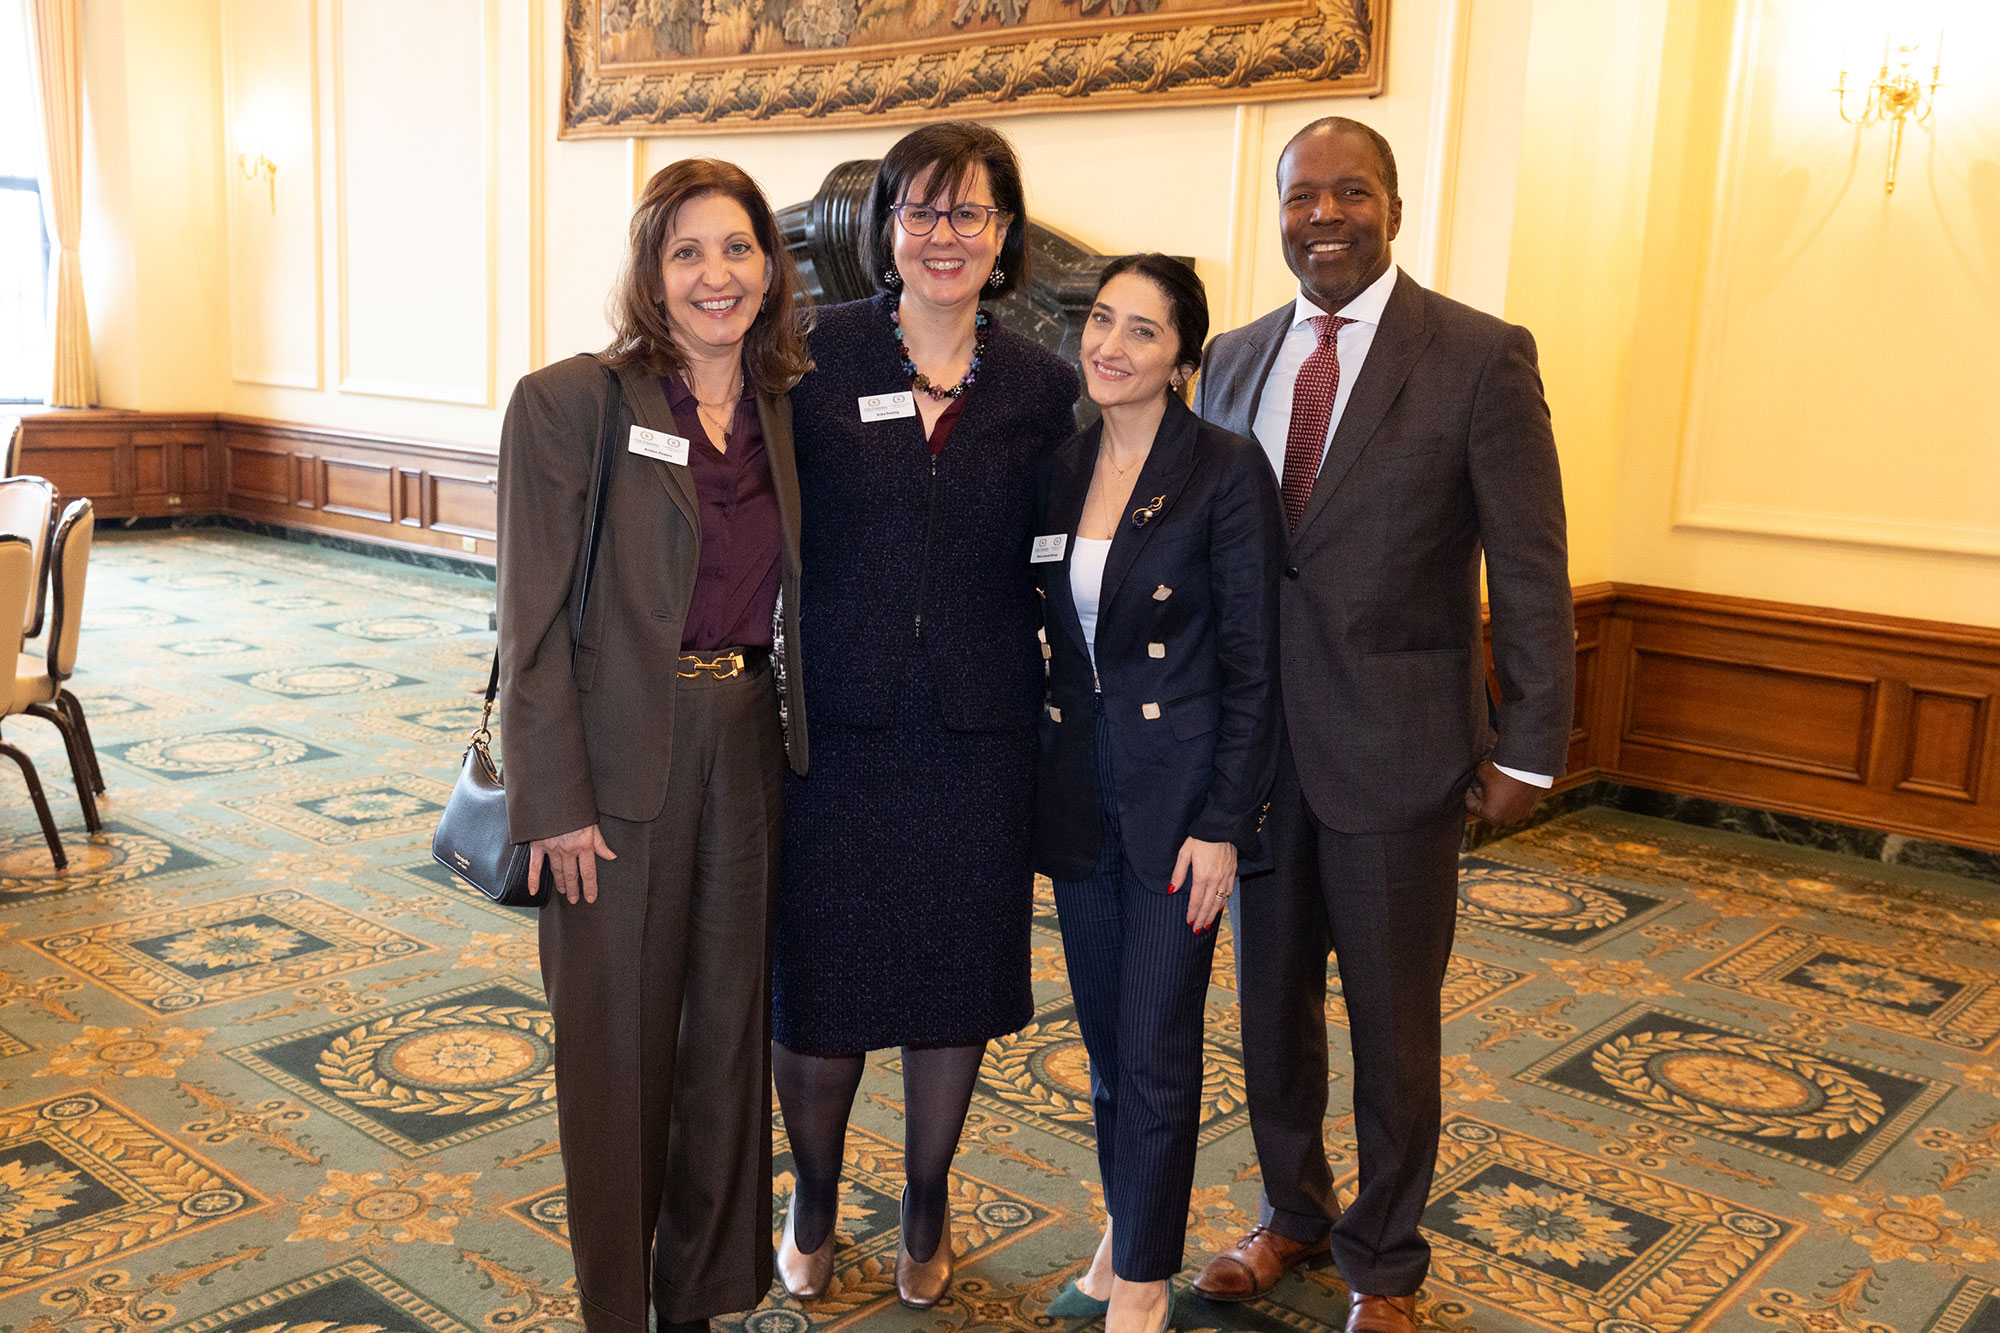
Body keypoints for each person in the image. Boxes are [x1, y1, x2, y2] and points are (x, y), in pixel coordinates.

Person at [1189, 117, 1573, 1333]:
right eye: (1301, 196)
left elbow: (1529, 566)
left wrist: (1527, 745)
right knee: (1268, 1008)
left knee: (1393, 1027)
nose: (1324, 217)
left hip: (1397, 753)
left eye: (1349, 193)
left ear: (1393, 209)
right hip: (1256, 759)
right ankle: (1290, 1210)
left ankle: (1385, 1262)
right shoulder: (1233, 358)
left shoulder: (1476, 356)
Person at [496, 158, 812, 1333]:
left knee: (725, 1039)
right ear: (650, 272)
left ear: (768, 267)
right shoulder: (571, 402)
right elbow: (527, 622)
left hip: (747, 747)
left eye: (736, 248)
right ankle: (615, 1313)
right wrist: (552, 799)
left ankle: (699, 1299)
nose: (714, 275)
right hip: (614, 764)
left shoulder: (786, 407)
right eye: (686, 252)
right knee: (616, 1055)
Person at [771, 120, 1079, 1309]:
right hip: (833, 726)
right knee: (819, 980)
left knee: (953, 975)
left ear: (1003, 235)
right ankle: (809, 1192)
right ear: (884, 226)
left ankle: (925, 1195)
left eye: (969, 212)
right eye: (920, 210)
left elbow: (1066, 552)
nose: (943, 235)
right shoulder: (813, 353)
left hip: (980, 730)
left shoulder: (1043, 386)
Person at [1033, 254, 1283, 1333]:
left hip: (1180, 807)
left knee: (1155, 1046)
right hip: (1078, 794)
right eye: (1101, 319)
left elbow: (1254, 666)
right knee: (1105, 1045)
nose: (1111, 345)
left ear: (1182, 356)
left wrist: (1225, 823)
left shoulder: (1223, 469)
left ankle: (1143, 1277)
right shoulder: (1061, 462)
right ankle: (1123, 1230)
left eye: (1142, 330)